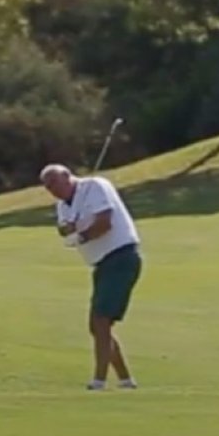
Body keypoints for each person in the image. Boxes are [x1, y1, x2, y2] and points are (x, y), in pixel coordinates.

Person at [42, 163, 143, 391]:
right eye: (48, 187)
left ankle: (99, 381)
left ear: (67, 176)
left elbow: (105, 222)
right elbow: (64, 228)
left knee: (100, 321)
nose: (53, 190)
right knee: (98, 326)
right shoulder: (63, 205)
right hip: (101, 264)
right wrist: (68, 229)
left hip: (121, 256)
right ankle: (126, 381)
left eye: (55, 183)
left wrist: (82, 236)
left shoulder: (94, 186)